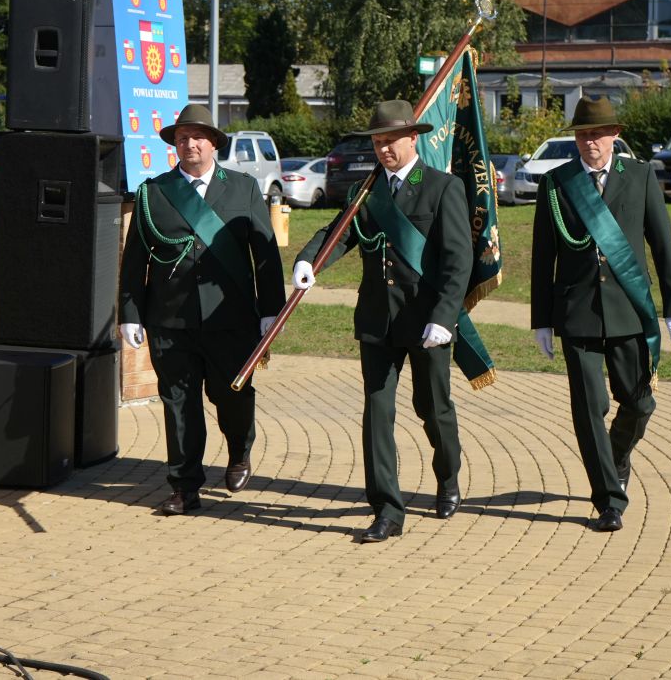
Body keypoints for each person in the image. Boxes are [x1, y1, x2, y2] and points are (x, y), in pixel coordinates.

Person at [292, 99, 472, 544]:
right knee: (378, 411)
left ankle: (448, 477)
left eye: (391, 139)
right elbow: (337, 233)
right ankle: (388, 509)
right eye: (377, 141)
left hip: (427, 321)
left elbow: (457, 260)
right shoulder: (365, 192)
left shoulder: (442, 188)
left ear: (414, 138)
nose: (384, 148)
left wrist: (445, 317)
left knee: (434, 408)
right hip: (378, 319)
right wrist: (308, 259)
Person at [118, 103, 286, 516]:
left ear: (214, 143)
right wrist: (129, 312)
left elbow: (264, 254)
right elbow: (134, 258)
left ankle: (239, 450)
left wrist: (270, 311)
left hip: (231, 319)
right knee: (179, 403)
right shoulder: (153, 192)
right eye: (181, 138)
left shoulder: (244, 188)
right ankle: (184, 486)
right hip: (170, 320)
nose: (189, 144)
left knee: (231, 396)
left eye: (197, 137)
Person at [530, 95, 671, 534]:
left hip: (628, 310)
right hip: (577, 311)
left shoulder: (637, 177)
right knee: (589, 408)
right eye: (582, 135)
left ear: (615, 135)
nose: (589, 142)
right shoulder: (558, 183)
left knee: (639, 402)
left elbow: (662, 244)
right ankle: (608, 500)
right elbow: (544, 256)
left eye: (597, 134)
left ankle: (617, 455)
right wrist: (542, 318)